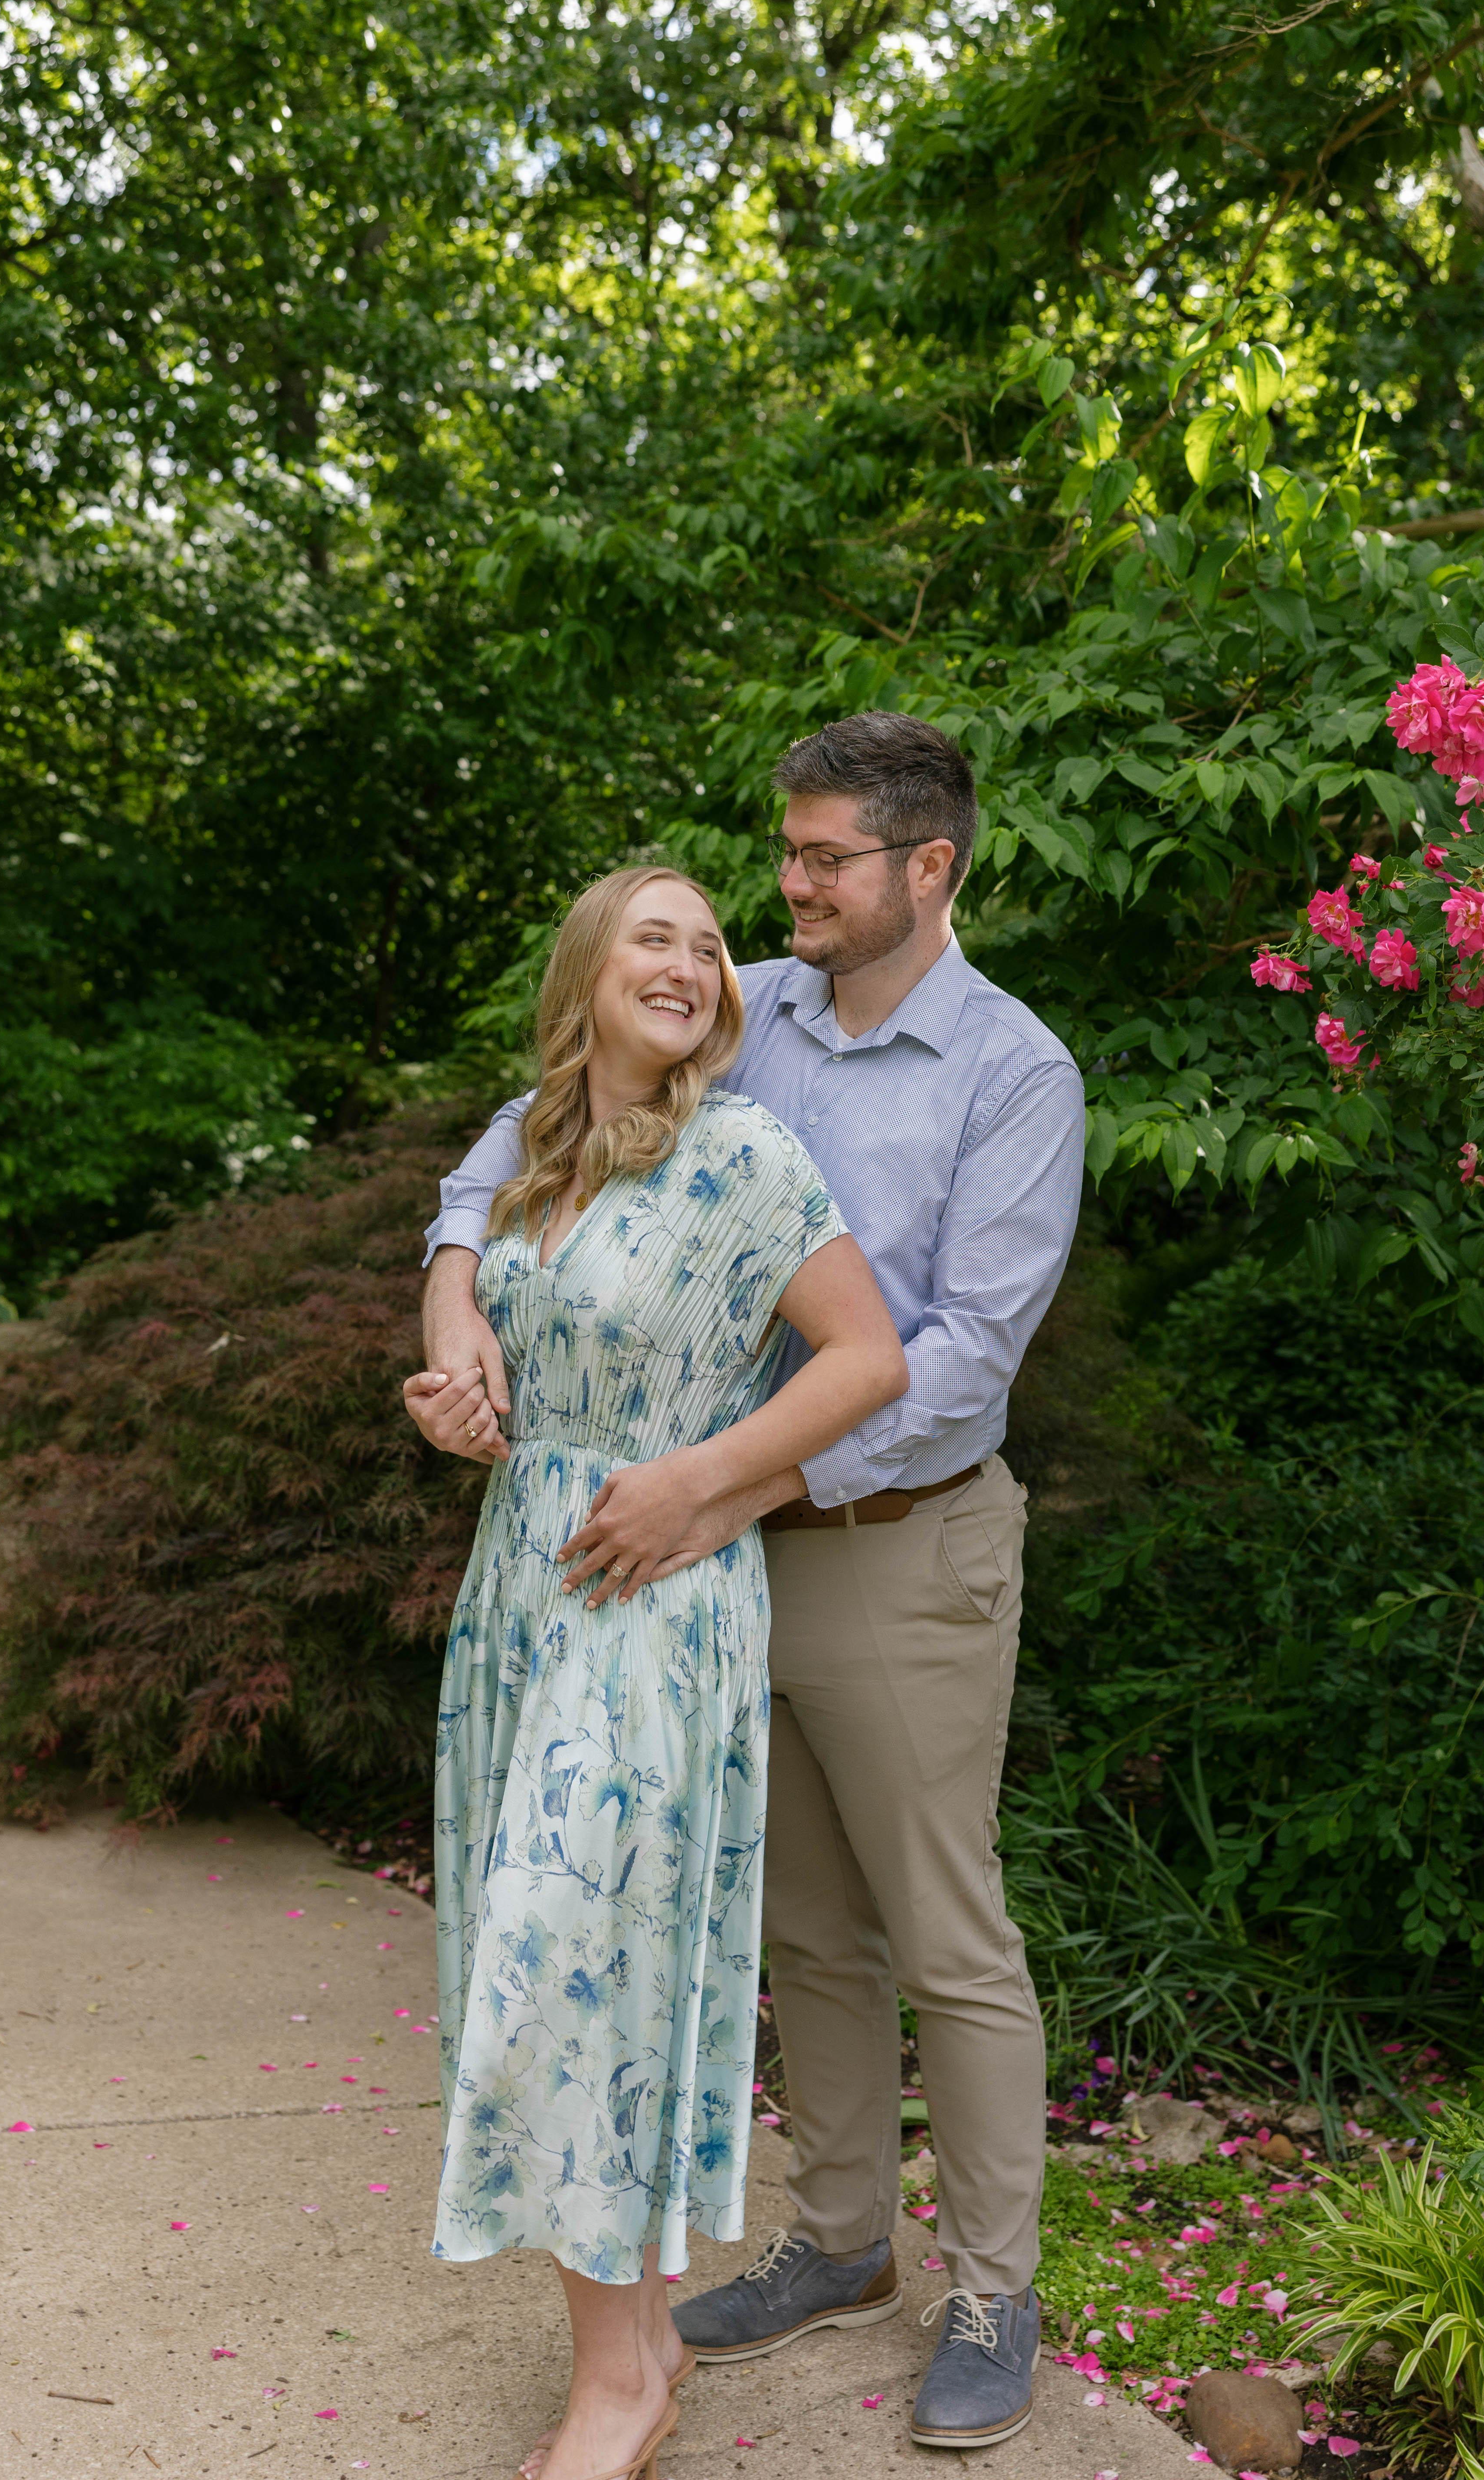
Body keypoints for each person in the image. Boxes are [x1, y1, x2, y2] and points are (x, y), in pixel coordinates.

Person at [420, 714, 1088, 2453]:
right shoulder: (755, 1013)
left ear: (927, 866)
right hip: (699, 1577)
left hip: (892, 1540)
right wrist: (454, 1290)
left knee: (945, 1928)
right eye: (783, 854)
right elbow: (514, 1152)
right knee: (799, 1927)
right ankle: (843, 2241)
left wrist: (725, 1485)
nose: (787, 885)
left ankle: (994, 2292)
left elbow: (959, 1355)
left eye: (822, 859)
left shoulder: (1015, 1074)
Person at [403, 863, 908, 2480]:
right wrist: (459, 1383)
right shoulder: (533, 1153)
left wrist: (705, 1479)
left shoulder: (746, 1157)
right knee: (534, 1970)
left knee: (585, 1967)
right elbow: (476, 1297)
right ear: (588, 971)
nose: (689, 964)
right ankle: (634, 2352)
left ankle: (622, 2383)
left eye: (709, 947)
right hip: (520, 1590)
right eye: (655, 937)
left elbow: (869, 1359)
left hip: (654, 1601)